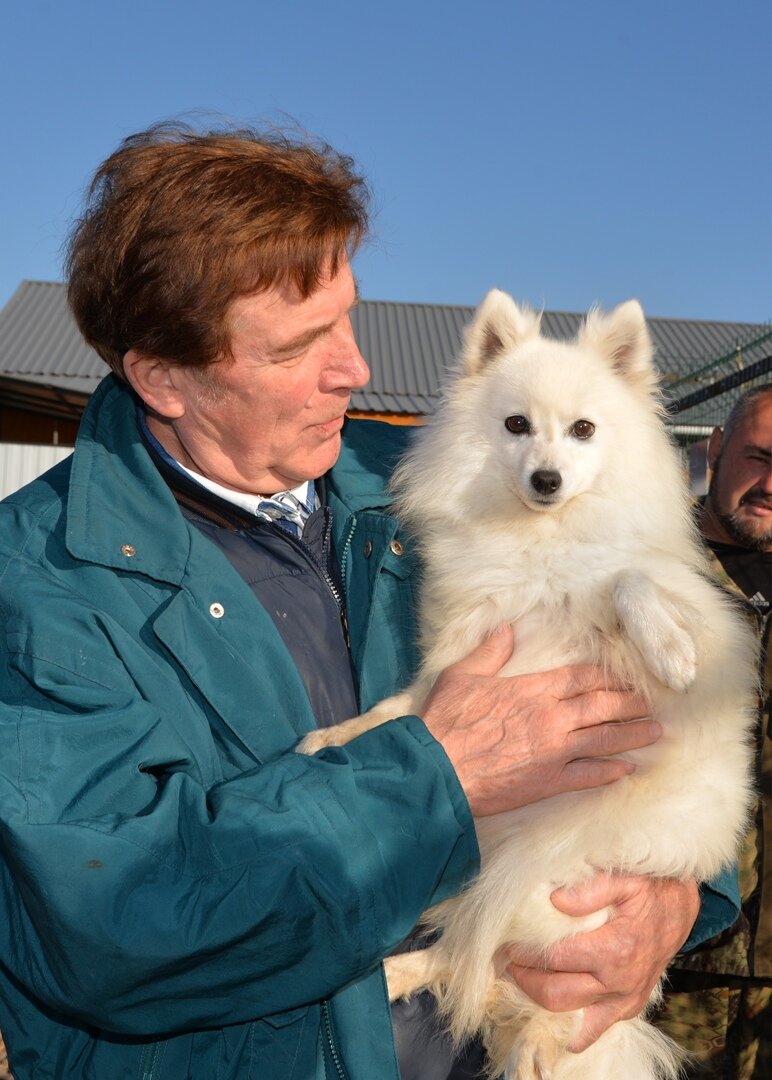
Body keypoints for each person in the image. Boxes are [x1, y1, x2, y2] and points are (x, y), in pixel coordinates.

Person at [0, 122, 734, 1080]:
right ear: (163, 378)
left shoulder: (443, 483)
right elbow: (114, 928)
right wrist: (437, 777)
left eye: (347, 318)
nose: (355, 368)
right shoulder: (41, 585)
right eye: (302, 344)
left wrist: (678, 895)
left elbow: (671, 698)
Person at [654, 385, 772, 1079]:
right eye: (758, 456)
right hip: (670, 960)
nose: (769, 484)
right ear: (716, 450)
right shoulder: (648, 575)